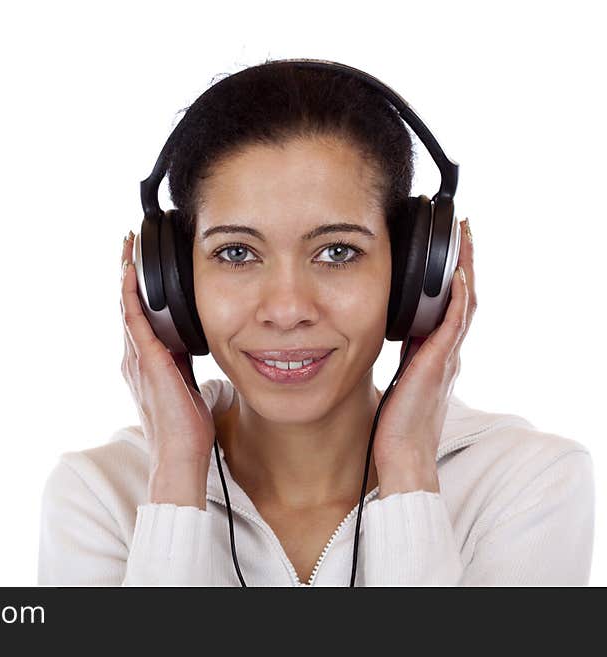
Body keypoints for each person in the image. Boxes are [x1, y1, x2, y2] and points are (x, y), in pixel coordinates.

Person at [36, 61, 595, 586]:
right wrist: (177, 479)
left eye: (337, 253)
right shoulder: (100, 497)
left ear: (413, 271)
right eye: (236, 253)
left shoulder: (526, 483)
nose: (286, 309)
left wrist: (407, 465)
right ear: (172, 282)